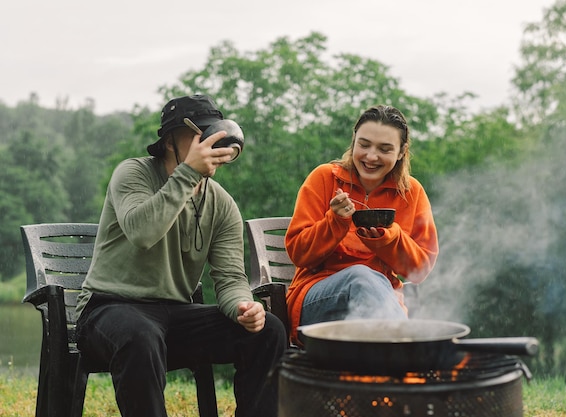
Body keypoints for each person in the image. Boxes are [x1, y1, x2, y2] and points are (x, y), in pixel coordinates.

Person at [75, 94, 287, 417]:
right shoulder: (133, 174)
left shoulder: (223, 205)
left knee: (268, 331)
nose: (211, 144)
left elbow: (230, 279)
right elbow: (142, 233)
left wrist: (245, 306)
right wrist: (188, 174)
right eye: (200, 135)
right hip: (108, 310)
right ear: (171, 139)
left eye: (215, 134)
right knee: (140, 336)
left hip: (173, 317)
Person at [285, 104, 439, 345]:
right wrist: (334, 222)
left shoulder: (412, 192)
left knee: (368, 281)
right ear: (354, 140)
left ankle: (393, 362)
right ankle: (409, 354)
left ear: (401, 152)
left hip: (381, 307)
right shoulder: (324, 178)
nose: (371, 156)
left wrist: (388, 240)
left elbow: (419, 271)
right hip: (316, 303)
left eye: (385, 149)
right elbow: (299, 254)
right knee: (361, 277)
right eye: (364, 145)